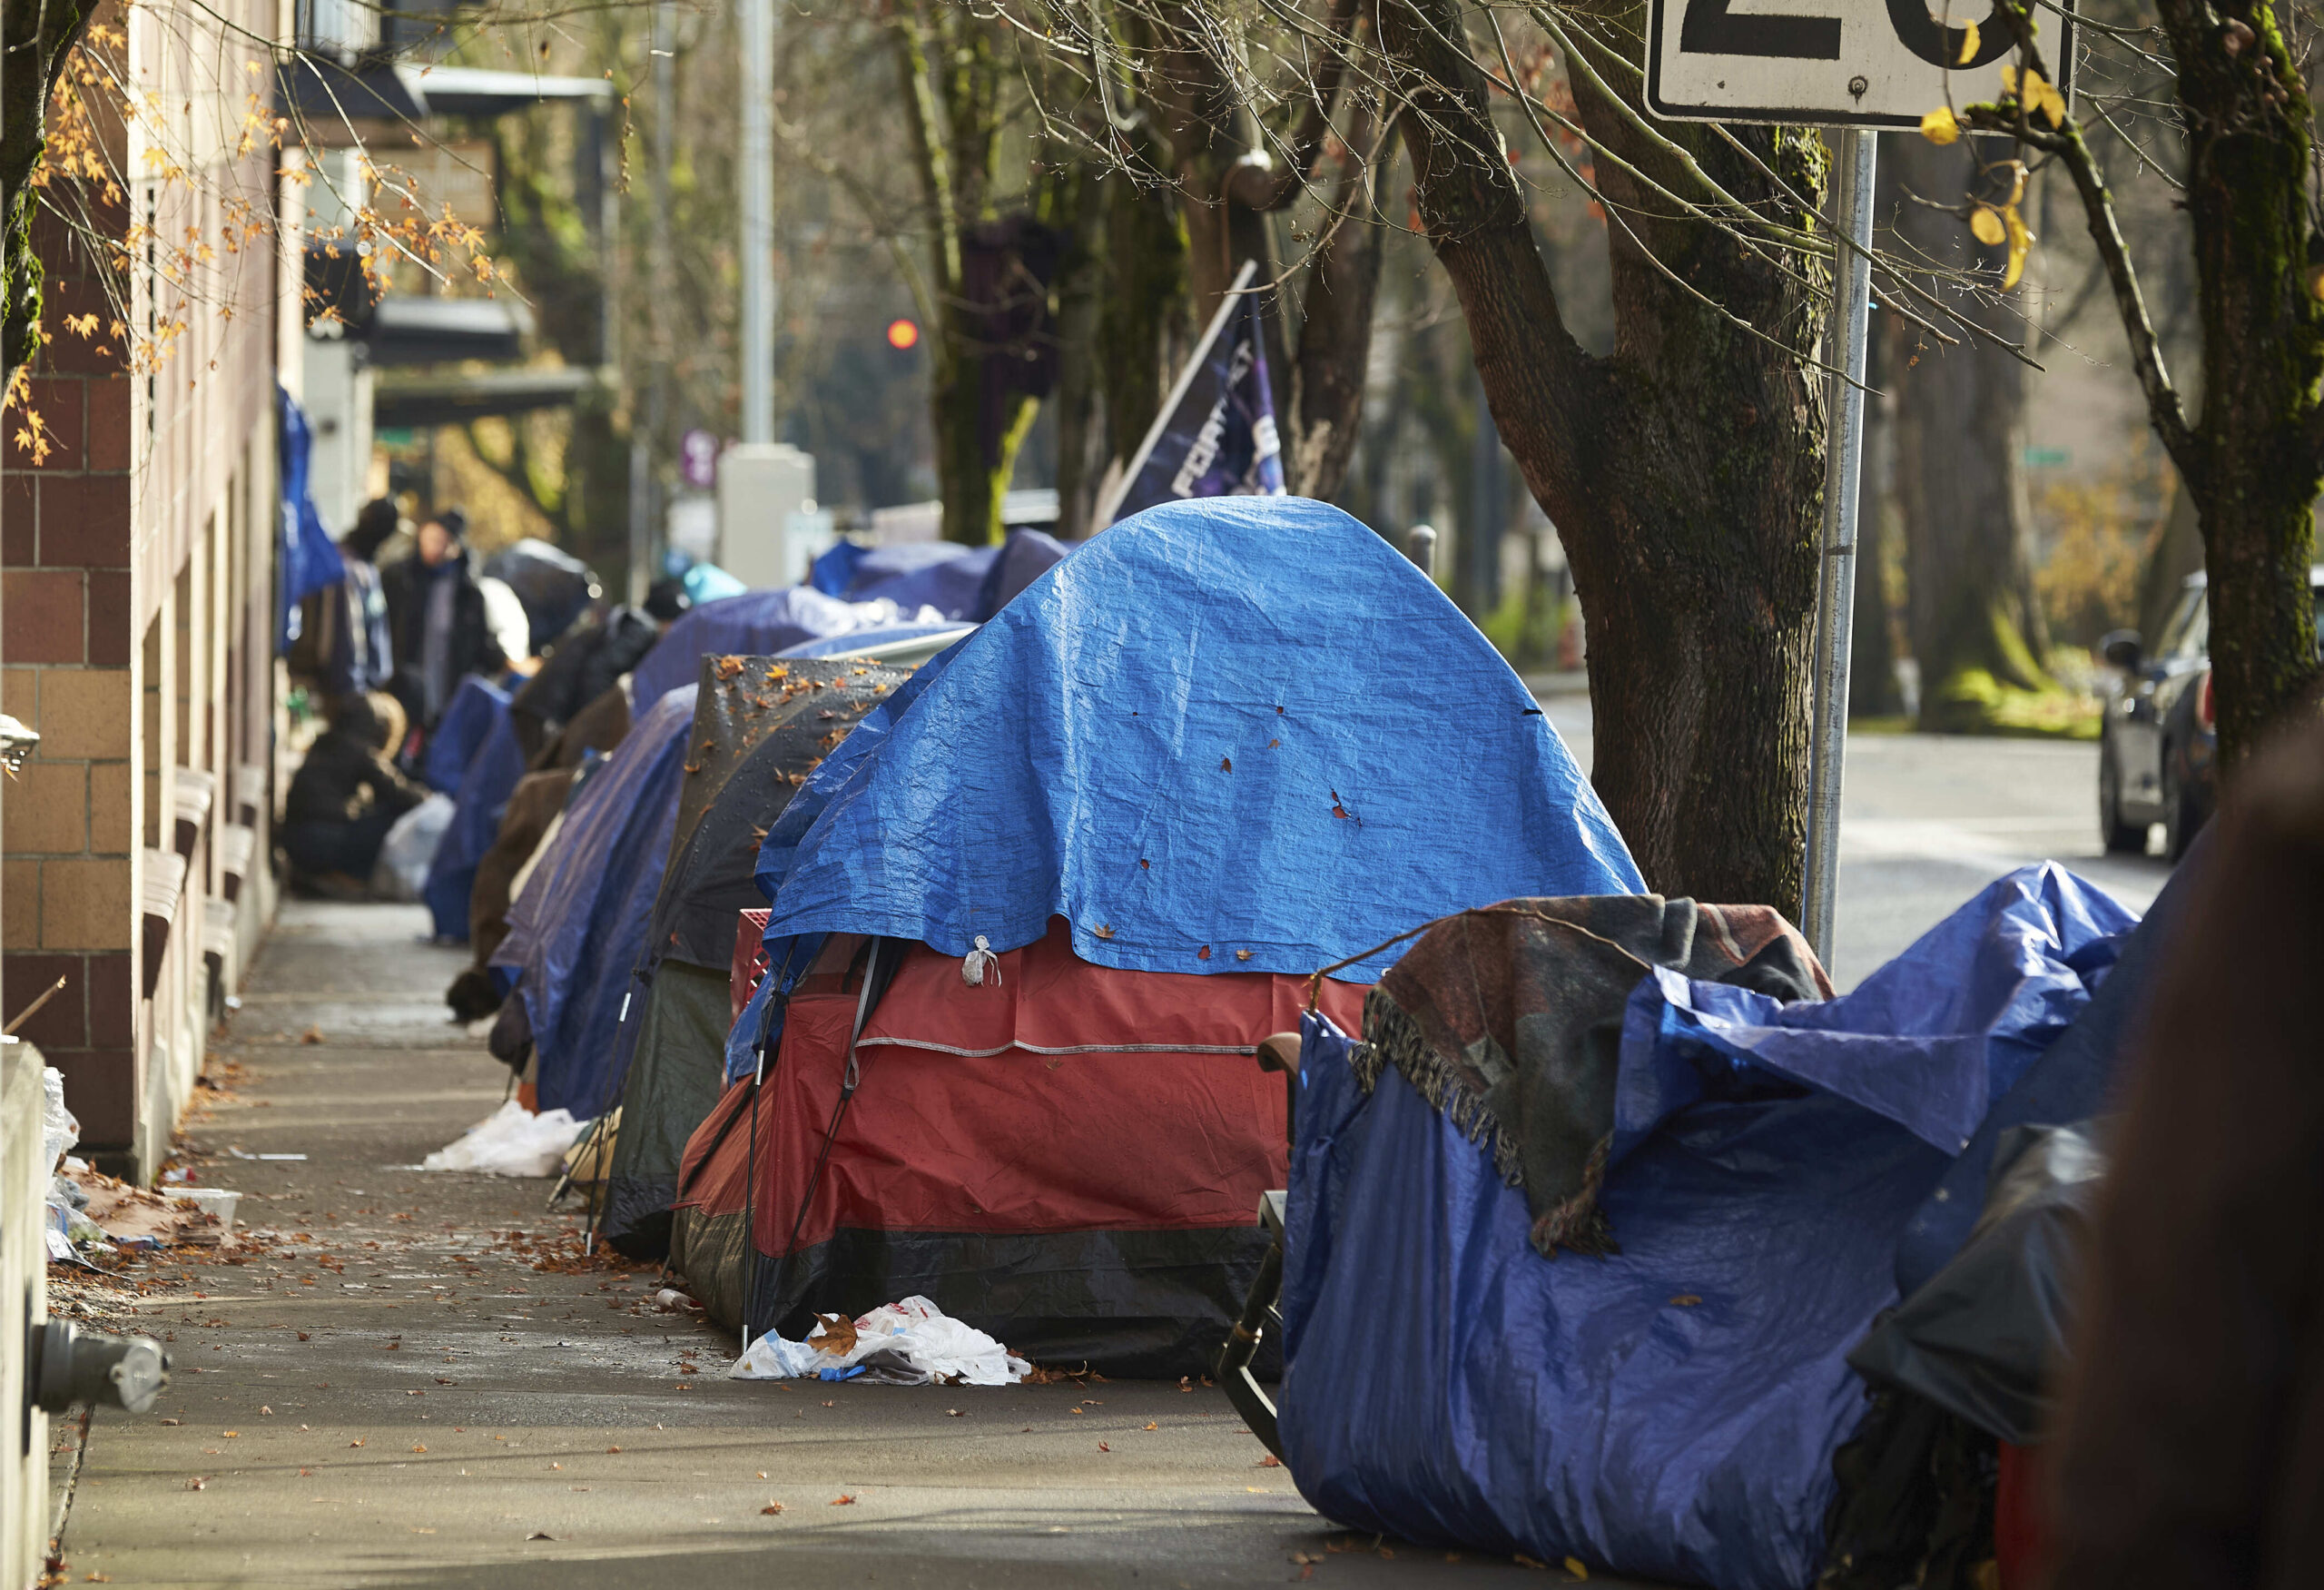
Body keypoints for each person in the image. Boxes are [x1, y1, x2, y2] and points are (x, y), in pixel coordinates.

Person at [281, 693, 431, 895]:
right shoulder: (361, 751)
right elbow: (398, 791)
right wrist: (432, 800)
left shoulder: (327, 741)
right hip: (322, 840)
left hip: (295, 838)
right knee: (392, 818)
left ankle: (324, 875)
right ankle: (348, 876)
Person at [380, 508, 509, 734]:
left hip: (447, 688)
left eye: (440, 540)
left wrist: (507, 664)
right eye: (428, 538)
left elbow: (481, 643)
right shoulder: (399, 579)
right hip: (404, 683)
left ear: (455, 547)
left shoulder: (468, 593)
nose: (432, 546)